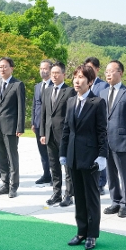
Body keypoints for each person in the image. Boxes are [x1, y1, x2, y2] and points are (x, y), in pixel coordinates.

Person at [59, 64, 107, 250]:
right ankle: (81, 231)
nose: (77, 81)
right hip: (73, 156)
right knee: (78, 196)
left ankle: (92, 234)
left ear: (90, 81)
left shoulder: (97, 103)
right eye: (75, 77)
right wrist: (63, 152)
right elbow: (66, 129)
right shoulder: (71, 101)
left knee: (91, 197)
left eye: (81, 77)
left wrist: (102, 156)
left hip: (90, 157)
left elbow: (102, 132)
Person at [100, 60, 126, 218]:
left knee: (124, 173)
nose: (108, 74)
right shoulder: (102, 93)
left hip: (121, 140)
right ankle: (115, 200)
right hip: (105, 140)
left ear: (120, 73)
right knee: (110, 173)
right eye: (106, 71)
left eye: (111, 71)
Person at [0, 57, 25, 198]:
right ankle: (4, 184)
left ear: (11, 68)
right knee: (1, 156)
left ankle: (13, 186)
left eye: (5, 66)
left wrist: (20, 127)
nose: (2, 69)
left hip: (11, 126)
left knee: (12, 156)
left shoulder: (17, 85)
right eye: (0, 67)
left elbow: (21, 107)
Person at [40, 61, 76, 206]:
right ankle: (56, 193)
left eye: (56, 73)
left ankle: (69, 195)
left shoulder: (69, 91)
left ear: (63, 74)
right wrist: (43, 133)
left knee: (67, 167)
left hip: (64, 135)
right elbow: (43, 114)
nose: (53, 75)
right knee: (54, 166)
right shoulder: (47, 90)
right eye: (52, 73)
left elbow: (71, 115)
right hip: (49, 135)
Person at [84, 57, 108, 195]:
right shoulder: (83, 83)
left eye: (91, 68)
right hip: (86, 127)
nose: (88, 70)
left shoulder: (103, 86)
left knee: (100, 155)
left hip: (98, 126)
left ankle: (101, 183)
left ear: (97, 69)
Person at [32, 60, 53, 185]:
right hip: (39, 124)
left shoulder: (54, 86)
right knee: (42, 151)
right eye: (40, 68)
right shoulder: (37, 86)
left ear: (50, 70)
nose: (42, 71)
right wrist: (34, 122)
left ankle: (55, 176)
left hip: (50, 125)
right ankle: (46, 174)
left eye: (45, 68)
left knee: (51, 152)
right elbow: (35, 105)